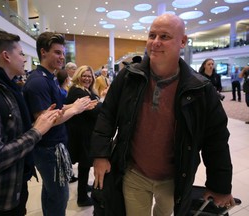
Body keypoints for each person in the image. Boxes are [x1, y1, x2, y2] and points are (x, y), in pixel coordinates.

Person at [91, 14, 234, 216]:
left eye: (165, 36)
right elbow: (107, 115)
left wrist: (219, 186)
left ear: (182, 42)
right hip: (134, 173)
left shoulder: (201, 89)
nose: (155, 43)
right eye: (152, 35)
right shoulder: (129, 77)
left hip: (174, 178)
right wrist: (100, 154)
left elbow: (216, 139)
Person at [0, 30, 62, 216]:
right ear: (6, 56)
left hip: (14, 190)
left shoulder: (7, 89)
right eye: (21, 53)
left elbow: (13, 134)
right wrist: (37, 131)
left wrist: (39, 123)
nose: (24, 59)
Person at [22, 32, 94, 216]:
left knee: (51, 191)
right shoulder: (38, 81)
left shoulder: (50, 77)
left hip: (54, 146)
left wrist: (78, 105)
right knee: (59, 195)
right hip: (48, 149)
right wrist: (75, 109)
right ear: (43, 52)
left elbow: (58, 108)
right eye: (57, 52)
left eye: (63, 53)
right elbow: (45, 120)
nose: (62, 57)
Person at [66, 65, 104, 207]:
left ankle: (83, 189)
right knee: (84, 163)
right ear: (78, 76)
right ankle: (82, 197)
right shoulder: (77, 91)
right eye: (84, 75)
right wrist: (102, 101)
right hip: (81, 134)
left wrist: (98, 103)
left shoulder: (87, 90)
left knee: (86, 164)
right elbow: (94, 111)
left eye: (89, 76)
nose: (87, 78)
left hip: (87, 132)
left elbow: (96, 106)